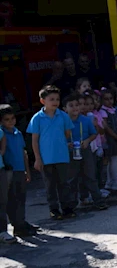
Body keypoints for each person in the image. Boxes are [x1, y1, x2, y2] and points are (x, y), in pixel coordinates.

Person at [26, 85, 74, 220]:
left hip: (62, 156)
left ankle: (67, 208)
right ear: (43, 101)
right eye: (51, 99)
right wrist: (37, 158)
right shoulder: (37, 118)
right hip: (45, 158)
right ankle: (54, 209)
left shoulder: (63, 116)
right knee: (50, 185)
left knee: (64, 183)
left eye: (57, 99)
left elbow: (67, 133)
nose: (55, 102)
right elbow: (34, 140)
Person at [64, 94, 109, 211]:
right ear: (65, 108)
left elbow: (94, 133)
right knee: (71, 178)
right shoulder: (63, 121)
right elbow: (58, 137)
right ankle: (71, 204)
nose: (75, 108)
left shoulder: (85, 120)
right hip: (70, 152)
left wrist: (88, 140)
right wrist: (66, 144)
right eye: (71, 106)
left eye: (77, 105)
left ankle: (98, 201)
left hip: (85, 150)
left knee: (90, 176)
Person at [1, 104, 38, 238]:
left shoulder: (18, 133)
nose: (11, 121)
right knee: (12, 199)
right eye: (7, 119)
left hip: (20, 170)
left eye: (12, 118)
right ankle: (17, 225)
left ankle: (21, 222)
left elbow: (24, 153)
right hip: (9, 172)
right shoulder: (2, 135)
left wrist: (27, 170)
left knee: (21, 198)